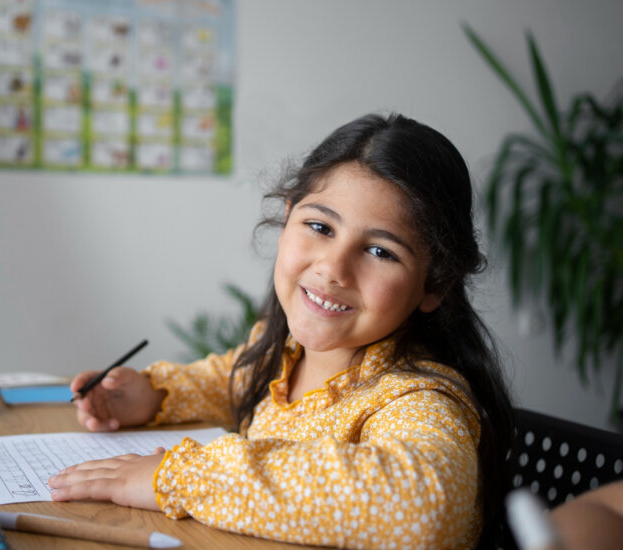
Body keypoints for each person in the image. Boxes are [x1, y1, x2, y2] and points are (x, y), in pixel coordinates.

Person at [48, 113, 514, 550]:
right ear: (287, 217)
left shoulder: (418, 399)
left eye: (380, 252)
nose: (333, 268)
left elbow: (424, 507)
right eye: (319, 226)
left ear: (434, 284)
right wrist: (152, 394)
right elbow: (230, 377)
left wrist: (182, 476)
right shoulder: (285, 349)